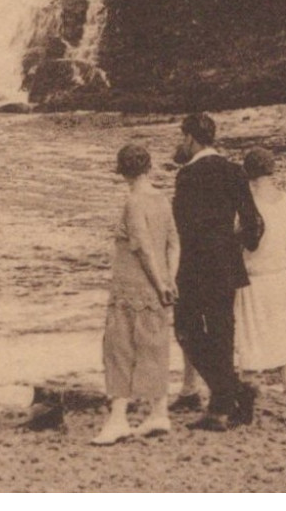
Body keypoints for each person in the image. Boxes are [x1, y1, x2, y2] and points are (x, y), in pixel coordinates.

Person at [172, 112, 266, 431]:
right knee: (223, 334)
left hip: (196, 267)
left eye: (181, 137)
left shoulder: (187, 176)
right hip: (227, 265)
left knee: (186, 330)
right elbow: (254, 223)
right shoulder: (234, 171)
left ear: (190, 138)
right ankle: (227, 402)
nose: (180, 143)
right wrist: (236, 245)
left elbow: (182, 228)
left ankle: (228, 395)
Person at [94, 144, 180, 445]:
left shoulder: (133, 202)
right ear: (148, 168)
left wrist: (158, 282)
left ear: (124, 173)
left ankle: (118, 418)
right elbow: (173, 243)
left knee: (120, 350)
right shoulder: (162, 199)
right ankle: (159, 411)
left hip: (132, 285)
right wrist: (169, 280)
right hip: (159, 286)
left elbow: (142, 247)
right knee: (154, 347)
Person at [234, 148, 286, 415]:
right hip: (281, 275)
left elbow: (242, 240)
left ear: (248, 174)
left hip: (255, 277)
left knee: (250, 338)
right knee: (282, 335)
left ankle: (247, 399)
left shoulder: (248, 205)